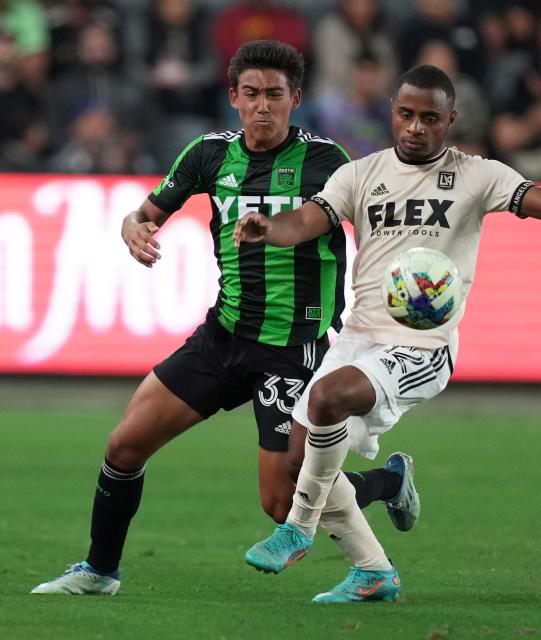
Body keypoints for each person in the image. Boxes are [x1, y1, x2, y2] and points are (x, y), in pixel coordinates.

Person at [235, 64, 541, 603]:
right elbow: (304, 222)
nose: (415, 128)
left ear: (450, 121)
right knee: (299, 464)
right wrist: (267, 231)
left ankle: (298, 531)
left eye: (429, 118)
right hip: (358, 338)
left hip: (423, 346)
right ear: (392, 112)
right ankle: (374, 570)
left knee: (325, 400)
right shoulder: (361, 173)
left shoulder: (477, 175)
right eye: (406, 115)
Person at [30, 40, 419, 597]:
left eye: (276, 95)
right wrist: (133, 227)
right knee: (124, 446)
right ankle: (99, 571)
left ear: (296, 99)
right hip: (224, 334)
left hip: (294, 347)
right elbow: (146, 211)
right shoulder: (208, 154)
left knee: (281, 503)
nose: (264, 106)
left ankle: (388, 480)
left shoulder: (327, 162)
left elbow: (380, 226)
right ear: (234, 97)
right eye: (253, 94)